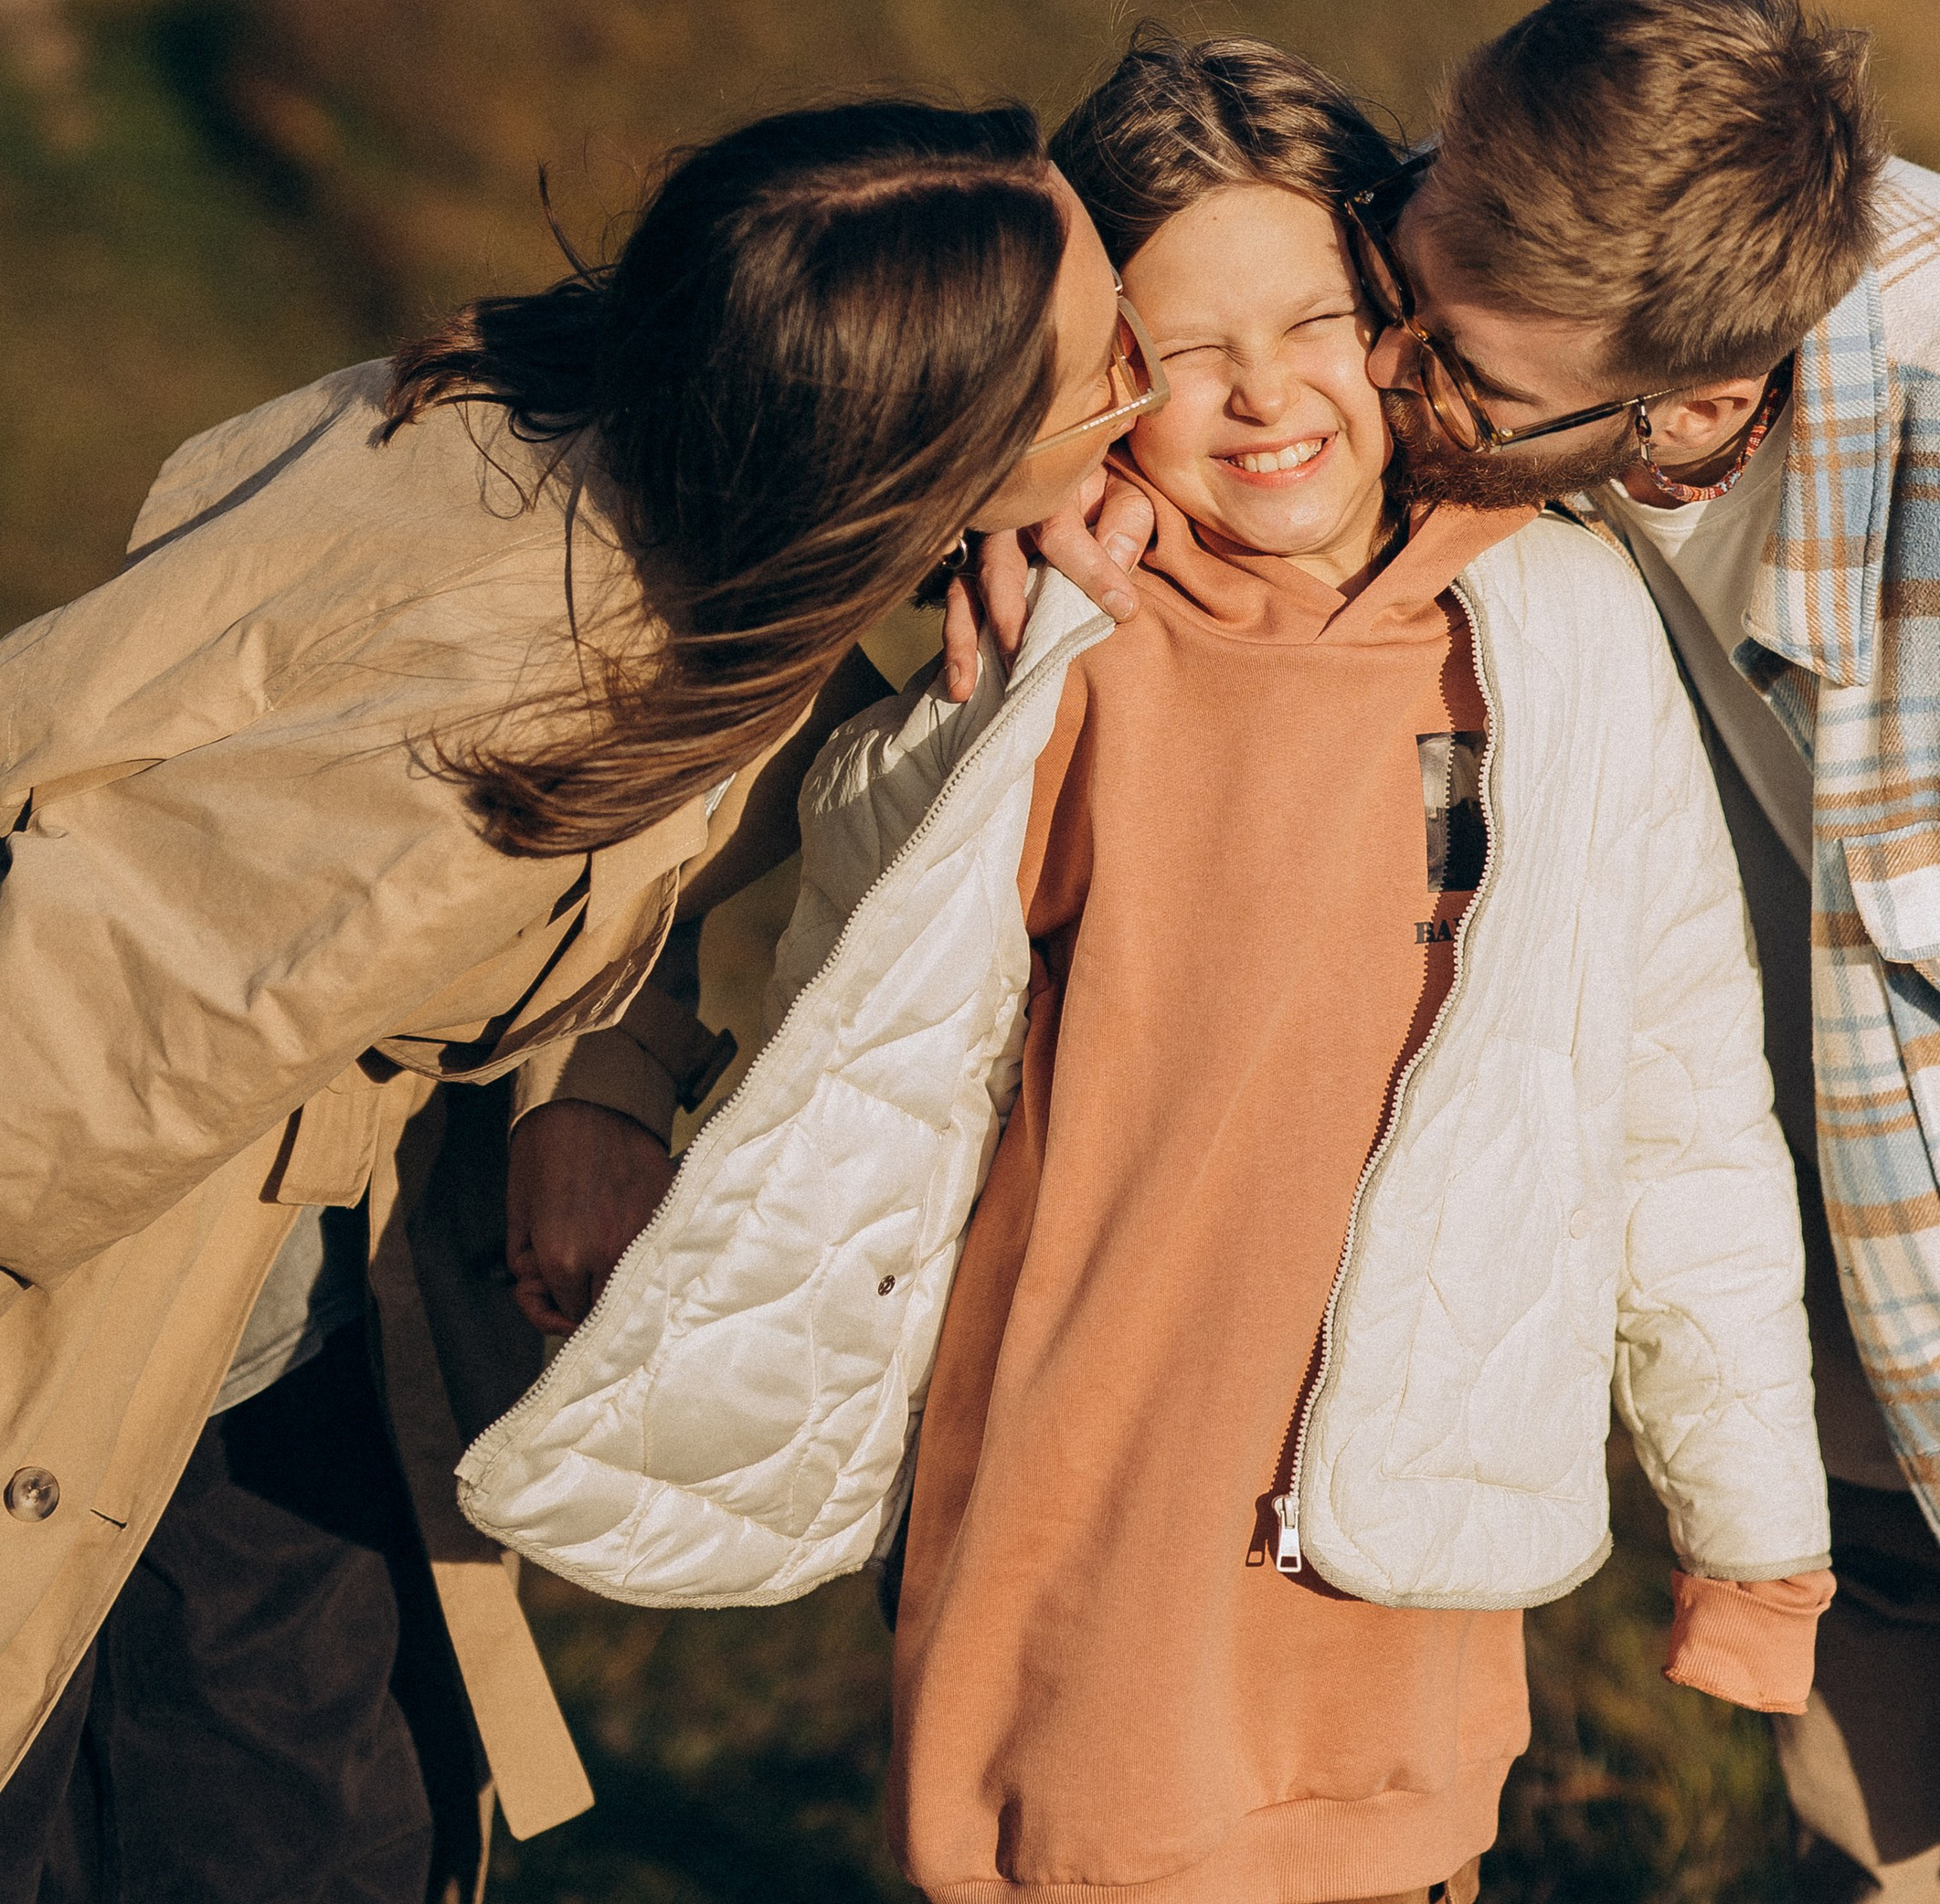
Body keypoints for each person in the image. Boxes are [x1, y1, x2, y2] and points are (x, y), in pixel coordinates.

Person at [460, 36, 1834, 1904]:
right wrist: (978, 706)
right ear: (1101, 376)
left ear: (1400, 320)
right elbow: (846, 985)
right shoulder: (1064, 642)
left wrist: (1752, 1535)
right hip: (1091, 1491)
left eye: (1313, 320)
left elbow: (1679, 1103)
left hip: (1405, 1505)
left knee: (1397, 1852)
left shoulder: (1565, 634)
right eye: (1182, 350)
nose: (1261, 392)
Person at [0, 99, 1153, 1904]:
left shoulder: (623, 443)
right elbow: (46, 1077)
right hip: (81, 1330)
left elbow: (717, 825)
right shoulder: (503, 736)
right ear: (916, 452)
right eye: (1109, 369)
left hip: (271, 1304)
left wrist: (593, 1076)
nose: (1147, 399)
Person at [1309, 0, 1940, 1904]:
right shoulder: (1502, 258)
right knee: (1859, 1868)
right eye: (1396, 276)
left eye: (1458, 375)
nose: (1382, 381)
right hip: (1854, 1330)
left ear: (1700, 400)